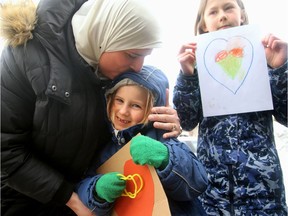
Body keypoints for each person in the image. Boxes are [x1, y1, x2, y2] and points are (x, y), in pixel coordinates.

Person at [0, 0, 182, 215]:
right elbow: (5, 152)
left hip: (94, 200)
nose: (138, 66)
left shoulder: (119, 73)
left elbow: (128, 131)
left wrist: (163, 125)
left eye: (145, 56)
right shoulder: (24, 55)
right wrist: (73, 200)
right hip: (27, 201)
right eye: (132, 55)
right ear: (103, 38)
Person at [173, 0, 288, 215]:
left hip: (264, 195)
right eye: (213, 12)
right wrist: (187, 76)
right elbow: (186, 121)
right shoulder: (198, 68)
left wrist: (281, 68)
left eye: (228, 8)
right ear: (203, 24)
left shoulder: (264, 59)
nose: (222, 16)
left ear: (242, 15)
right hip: (213, 195)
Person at [76, 65, 208, 216]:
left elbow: (198, 182)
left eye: (136, 105)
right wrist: (96, 190)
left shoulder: (163, 137)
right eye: (119, 100)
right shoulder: (103, 144)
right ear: (109, 98)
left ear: (154, 108)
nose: (124, 111)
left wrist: (166, 158)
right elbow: (84, 184)